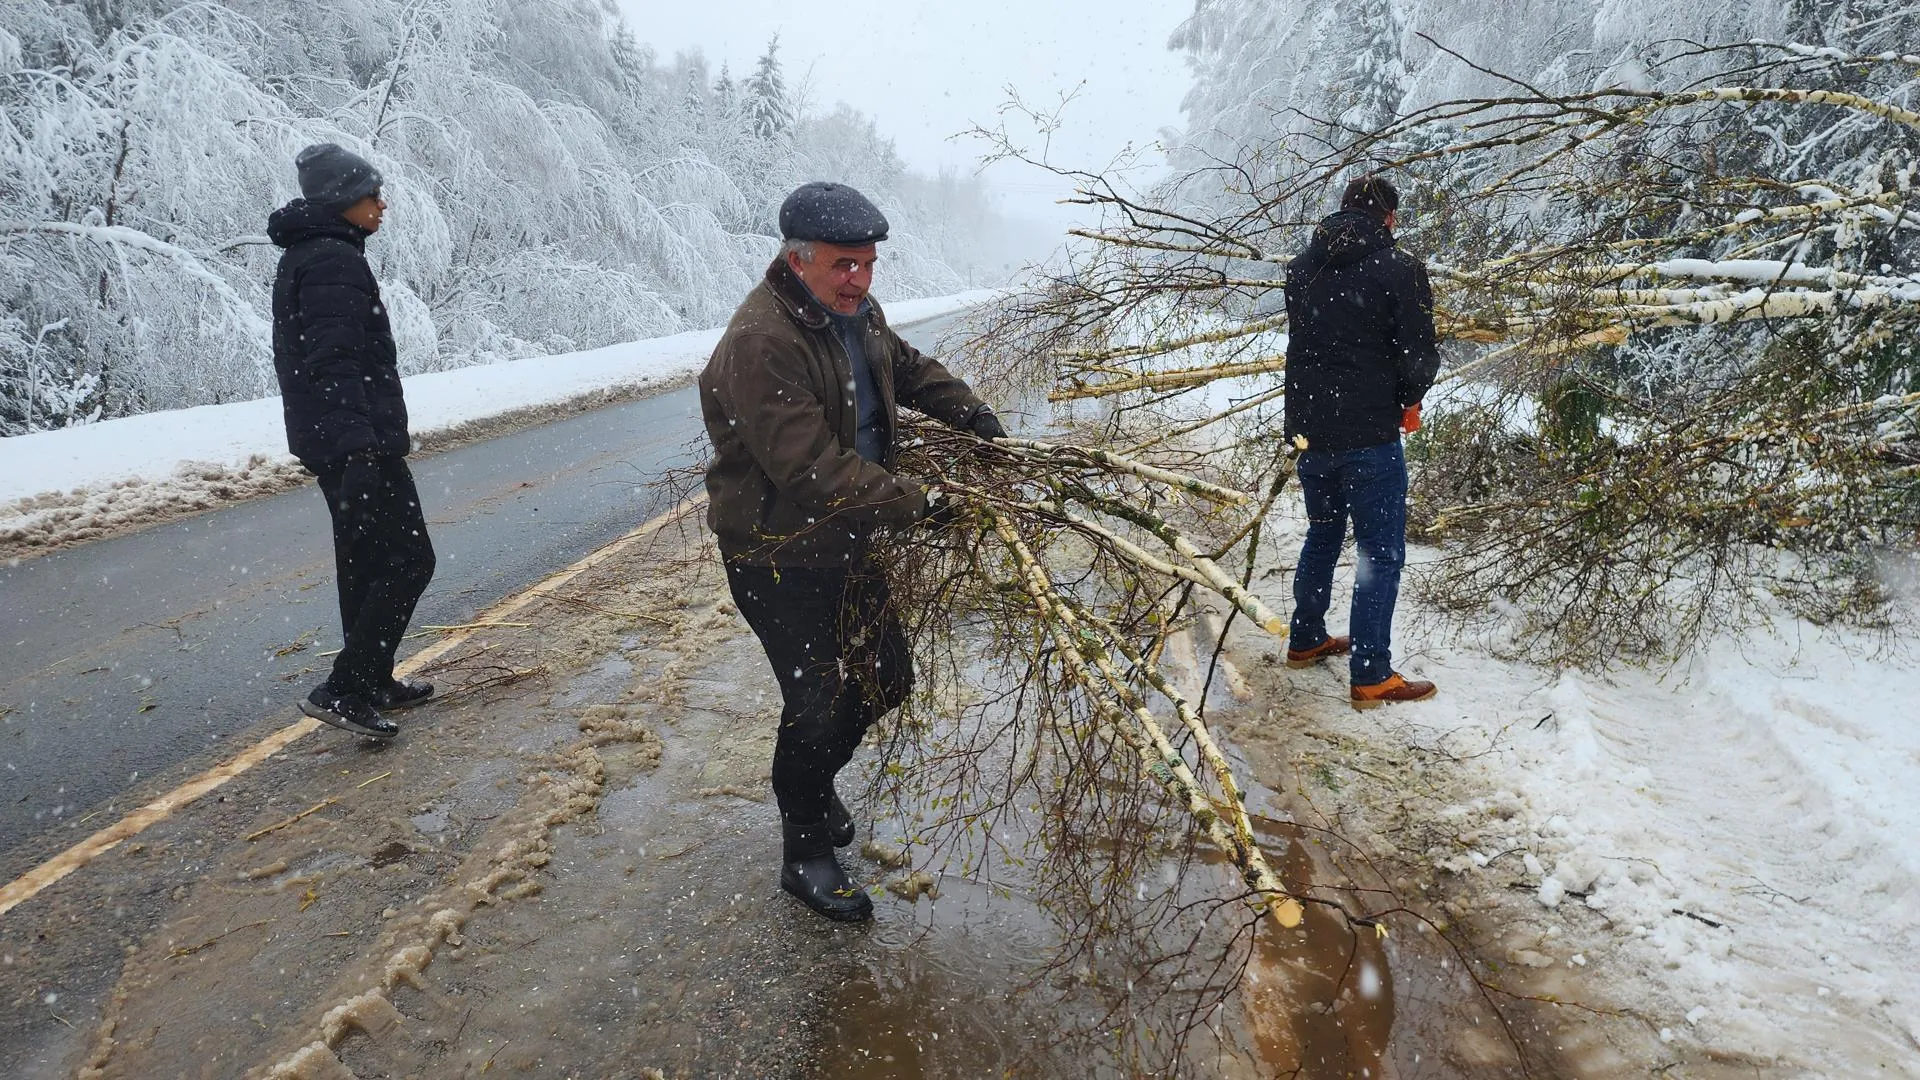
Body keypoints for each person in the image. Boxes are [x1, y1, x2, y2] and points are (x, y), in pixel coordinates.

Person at [699, 181, 1006, 921]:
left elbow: (907, 369)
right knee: (818, 702)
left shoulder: (857, 314)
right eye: (842, 265)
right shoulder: (760, 343)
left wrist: (973, 416)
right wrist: (920, 506)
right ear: (797, 259)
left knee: (888, 677)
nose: (858, 280)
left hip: (848, 544)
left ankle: (810, 782)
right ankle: (803, 850)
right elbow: (812, 470)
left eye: (867, 264)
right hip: (778, 554)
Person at [268, 143, 436, 740]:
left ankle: (372, 679)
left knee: (364, 563)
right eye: (372, 195)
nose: (382, 205)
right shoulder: (333, 262)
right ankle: (346, 686)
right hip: (355, 441)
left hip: (338, 438)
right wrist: (360, 448)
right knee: (411, 559)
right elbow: (334, 361)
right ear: (345, 200)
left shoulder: (311, 255)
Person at [1281, 175, 1441, 709]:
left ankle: (1305, 638)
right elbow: (1418, 355)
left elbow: (1311, 343)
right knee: (1380, 552)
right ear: (1389, 217)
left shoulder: (1302, 268)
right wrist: (1406, 397)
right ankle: (1371, 674)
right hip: (1369, 432)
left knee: (1323, 533)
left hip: (1310, 429)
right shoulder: (1401, 269)